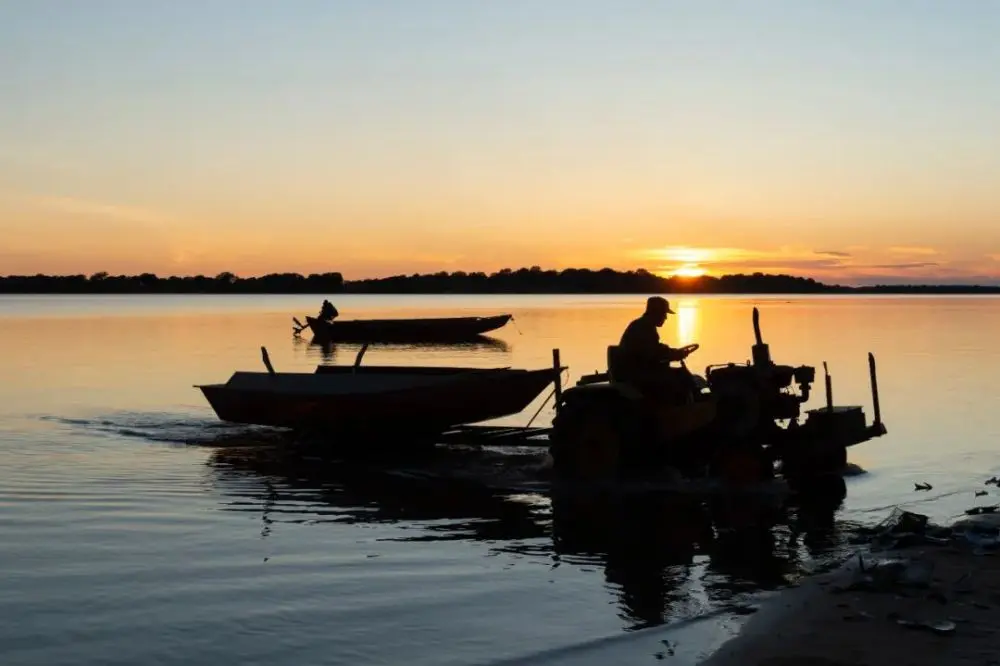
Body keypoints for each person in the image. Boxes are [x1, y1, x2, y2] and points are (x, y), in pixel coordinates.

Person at [615, 296, 699, 399]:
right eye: (664, 314)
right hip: (638, 374)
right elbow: (653, 354)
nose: (665, 318)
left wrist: (673, 352)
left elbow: (656, 349)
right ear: (656, 312)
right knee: (682, 376)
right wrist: (674, 355)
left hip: (638, 371)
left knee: (679, 374)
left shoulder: (643, 325)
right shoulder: (643, 328)